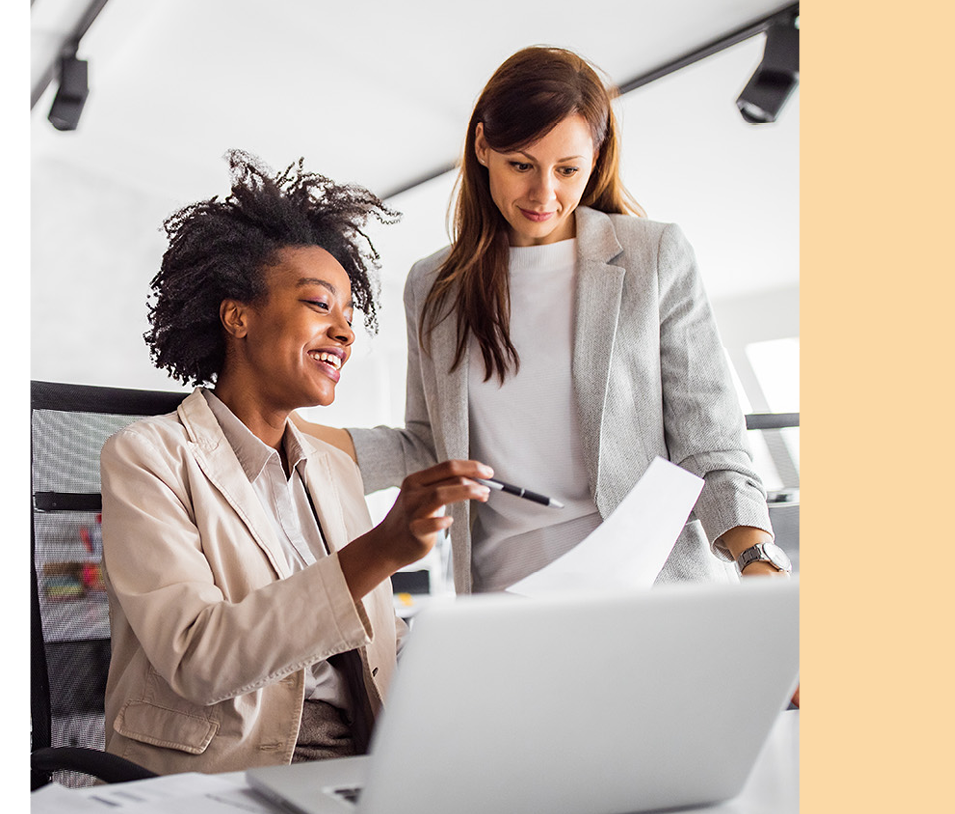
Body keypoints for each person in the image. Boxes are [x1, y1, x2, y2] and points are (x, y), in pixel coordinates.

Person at [295, 45, 795, 600]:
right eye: (521, 165)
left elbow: (711, 444)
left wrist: (759, 563)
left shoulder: (654, 257)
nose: (544, 194)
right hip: (507, 602)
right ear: (483, 145)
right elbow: (429, 446)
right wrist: (277, 431)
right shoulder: (434, 286)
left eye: (567, 170)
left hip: (653, 594)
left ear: (596, 157)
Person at [101, 150, 493, 776]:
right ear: (238, 317)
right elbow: (198, 658)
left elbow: (378, 643)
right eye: (319, 305)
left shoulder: (332, 468)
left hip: (362, 761)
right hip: (230, 772)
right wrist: (383, 549)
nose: (345, 332)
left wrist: (488, 650)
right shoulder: (148, 458)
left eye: (347, 314)